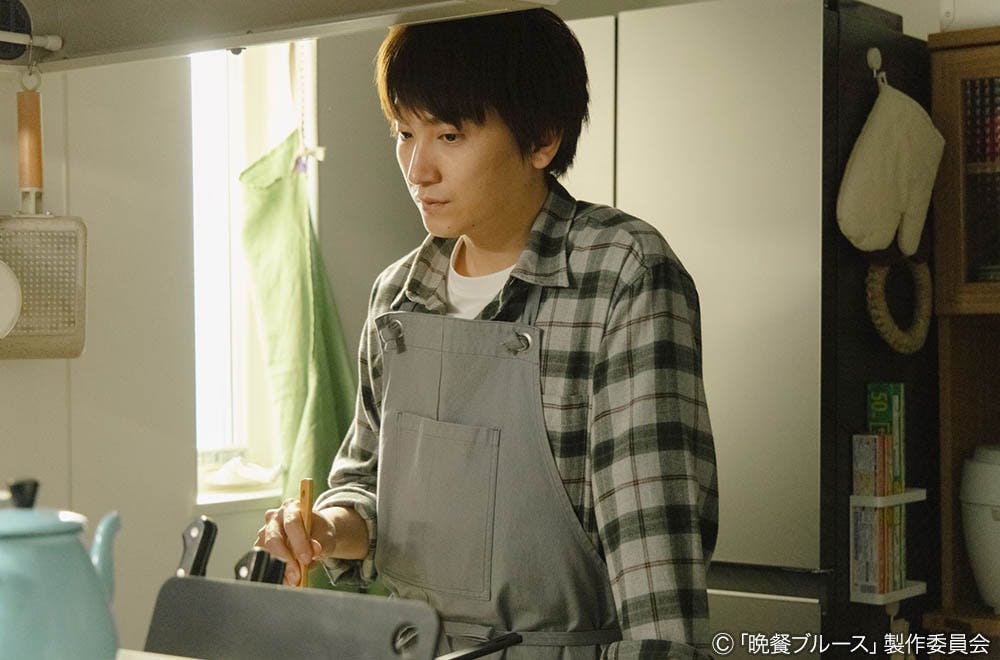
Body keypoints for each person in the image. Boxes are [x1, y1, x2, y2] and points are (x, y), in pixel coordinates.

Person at [256, 8, 718, 659]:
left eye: (449, 135)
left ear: (542, 139)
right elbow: (366, 484)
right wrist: (326, 528)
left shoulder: (620, 272)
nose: (418, 168)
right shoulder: (399, 296)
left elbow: (655, 563)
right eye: (404, 133)